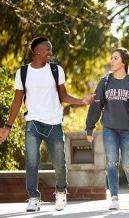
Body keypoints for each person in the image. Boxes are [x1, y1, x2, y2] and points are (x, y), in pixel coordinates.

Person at [0, 37, 94, 212]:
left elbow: (64, 96)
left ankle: (60, 192)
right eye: (47, 49)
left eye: (51, 49)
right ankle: (34, 198)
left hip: (54, 123)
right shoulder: (22, 72)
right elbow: (16, 101)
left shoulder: (56, 70)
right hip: (33, 122)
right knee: (31, 162)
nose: (51, 52)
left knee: (59, 162)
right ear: (37, 51)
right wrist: (7, 126)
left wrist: (82, 101)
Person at [85, 48, 129, 210]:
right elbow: (96, 105)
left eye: (115, 58)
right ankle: (114, 198)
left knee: (128, 165)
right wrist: (89, 127)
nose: (112, 61)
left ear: (123, 62)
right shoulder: (104, 82)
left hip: (128, 131)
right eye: (111, 58)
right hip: (110, 129)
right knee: (111, 163)